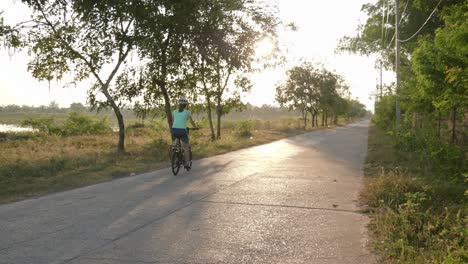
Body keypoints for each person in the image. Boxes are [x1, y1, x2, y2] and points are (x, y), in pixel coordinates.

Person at [171, 98, 197, 168]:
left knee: (177, 137)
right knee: (186, 147)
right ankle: (187, 163)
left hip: (174, 130)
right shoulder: (187, 112)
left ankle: (174, 146)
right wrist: (195, 127)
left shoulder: (174, 112)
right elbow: (191, 121)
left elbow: (173, 121)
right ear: (185, 105)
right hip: (182, 130)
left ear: (178, 104)